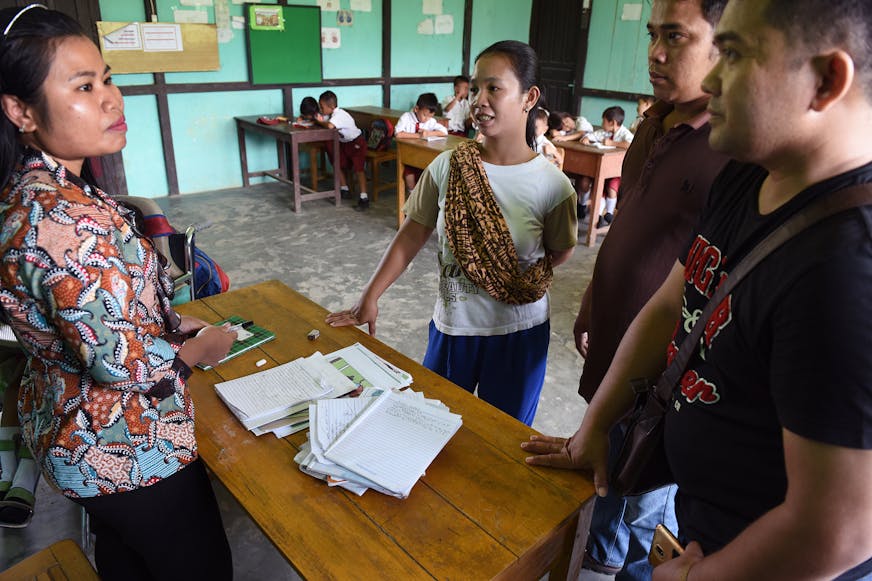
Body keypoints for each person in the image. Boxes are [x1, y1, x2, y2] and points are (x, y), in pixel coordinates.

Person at [525, 0, 872, 579]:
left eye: (732, 54)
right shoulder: (749, 172)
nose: (711, 80)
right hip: (702, 525)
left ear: (825, 80)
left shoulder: (846, 267)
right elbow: (670, 303)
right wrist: (598, 424)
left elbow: (840, 529)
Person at [0, 6, 237, 578]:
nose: (112, 99)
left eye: (107, 79)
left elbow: (98, 309)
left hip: (68, 425)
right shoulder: (62, 220)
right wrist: (196, 350)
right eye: (84, 87)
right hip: (120, 445)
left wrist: (167, 322)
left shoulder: (45, 184)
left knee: (129, 559)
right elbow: (118, 365)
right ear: (20, 110)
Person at [531, 0, 731, 579]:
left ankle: (623, 564)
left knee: (646, 480)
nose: (655, 54)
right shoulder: (654, 122)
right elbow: (627, 224)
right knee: (607, 449)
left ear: (725, 45)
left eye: (676, 37)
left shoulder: (729, 145)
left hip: (667, 361)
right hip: (620, 331)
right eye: (651, 35)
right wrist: (594, 296)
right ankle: (600, 551)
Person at [326, 40, 578, 426]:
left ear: (529, 98)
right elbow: (412, 235)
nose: (479, 100)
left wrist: (501, 274)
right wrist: (369, 297)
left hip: (518, 333)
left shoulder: (552, 185)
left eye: (494, 88)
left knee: (504, 438)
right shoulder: (448, 167)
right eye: (475, 88)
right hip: (452, 327)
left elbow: (559, 252)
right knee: (433, 427)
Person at [578, 106, 636, 227]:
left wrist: (612, 143)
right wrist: (586, 138)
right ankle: (584, 207)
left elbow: (631, 144)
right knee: (585, 181)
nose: (601, 124)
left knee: (611, 187)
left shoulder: (624, 133)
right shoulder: (604, 132)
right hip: (600, 170)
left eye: (603, 121)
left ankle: (608, 214)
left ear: (612, 123)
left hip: (616, 172)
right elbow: (590, 136)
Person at [314, 90, 370, 210]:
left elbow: (330, 126)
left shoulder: (340, 115)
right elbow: (324, 120)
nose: (320, 109)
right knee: (336, 161)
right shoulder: (331, 115)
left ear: (331, 107)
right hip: (345, 144)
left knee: (359, 169)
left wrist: (319, 121)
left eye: (322, 107)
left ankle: (364, 197)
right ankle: (344, 189)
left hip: (357, 143)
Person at [395, 92, 449, 192]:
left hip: (422, 157)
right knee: (409, 175)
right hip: (408, 155)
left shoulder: (430, 121)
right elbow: (398, 134)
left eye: (430, 116)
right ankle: (412, 193)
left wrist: (429, 133)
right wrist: (419, 136)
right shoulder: (406, 117)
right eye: (424, 115)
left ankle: (422, 196)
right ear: (416, 109)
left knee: (427, 175)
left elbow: (444, 132)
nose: (426, 119)